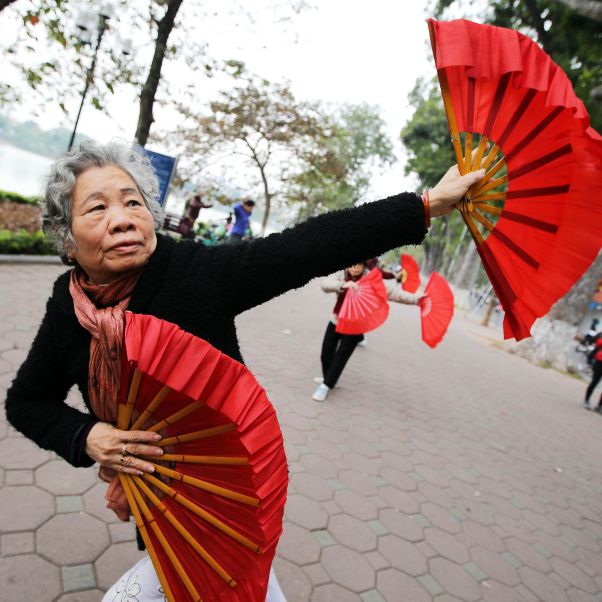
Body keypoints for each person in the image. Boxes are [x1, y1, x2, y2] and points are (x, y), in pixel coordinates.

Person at [4, 141, 484, 599]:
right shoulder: (69, 307)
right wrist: (89, 436)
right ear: (67, 241)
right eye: (97, 209)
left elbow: (305, 247)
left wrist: (426, 204)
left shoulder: (196, 273)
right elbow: (26, 402)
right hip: (149, 490)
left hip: (227, 485)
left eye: (133, 203)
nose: (123, 220)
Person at [312, 262, 422, 402]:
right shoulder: (341, 274)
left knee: (340, 358)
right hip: (336, 320)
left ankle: (326, 386)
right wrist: (342, 285)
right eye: (352, 264)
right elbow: (324, 284)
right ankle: (329, 377)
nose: (355, 268)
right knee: (326, 353)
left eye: (359, 265)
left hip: (355, 326)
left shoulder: (371, 279)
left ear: (364, 266)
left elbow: (394, 293)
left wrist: (417, 299)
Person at [584, 334, 602, 411]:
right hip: (600, 361)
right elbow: (598, 342)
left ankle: (599, 406)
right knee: (594, 382)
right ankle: (586, 400)